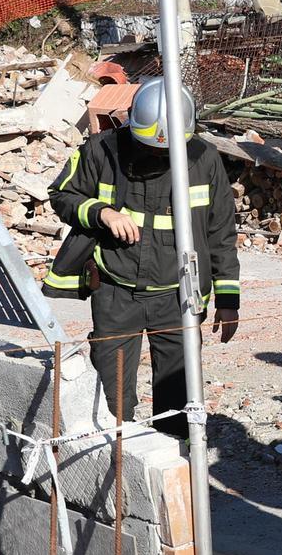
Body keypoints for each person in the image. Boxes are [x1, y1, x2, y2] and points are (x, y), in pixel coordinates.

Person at [46, 77, 241, 439]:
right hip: (116, 293)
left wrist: (228, 300)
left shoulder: (204, 160)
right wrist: (102, 213)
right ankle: (117, 460)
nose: (157, 156)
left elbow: (221, 234)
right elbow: (62, 195)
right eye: (148, 148)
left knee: (179, 396)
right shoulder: (100, 151)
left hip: (178, 296)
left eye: (165, 151)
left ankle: (172, 466)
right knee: (111, 397)